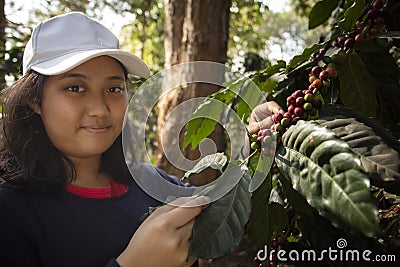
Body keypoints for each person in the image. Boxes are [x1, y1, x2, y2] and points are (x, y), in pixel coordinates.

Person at [0, 12, 282, 267]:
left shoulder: (155, 186)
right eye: (75, 88)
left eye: (113, 88)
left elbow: (223, 211)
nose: (100, 109)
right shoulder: (11, 211)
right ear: (34, 100)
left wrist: (253, 143)